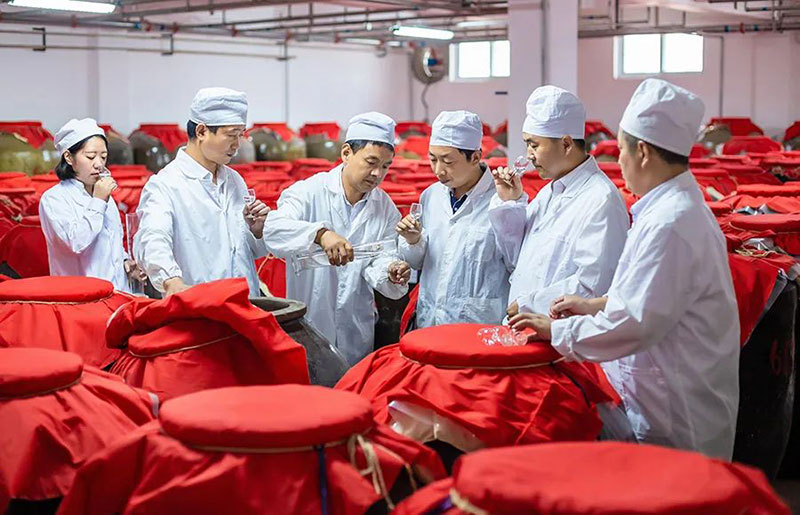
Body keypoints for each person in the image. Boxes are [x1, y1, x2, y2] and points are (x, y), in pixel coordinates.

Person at [511, 79, 740, 460]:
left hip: (674, 411)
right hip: (655, 396)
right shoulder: (666, 211)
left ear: (643, 152)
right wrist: (596, 305)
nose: (618, 162)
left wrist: (556, 331)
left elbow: (636, 321)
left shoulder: (671, 223)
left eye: (620, 150)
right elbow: (652, 297)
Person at [262, 112, 411, 366]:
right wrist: (320, 234)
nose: (377, 173)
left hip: (356, 330)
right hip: (309, 325)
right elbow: (273, 230)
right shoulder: (308, 192)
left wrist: (391, 271)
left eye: (386, 166)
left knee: (353, 386)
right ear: (346, 153)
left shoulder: (384, 207)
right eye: (371, 162)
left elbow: (381, 258)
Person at [489, 85, 629, 318]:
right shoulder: (549, 193)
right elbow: (516, 262)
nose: (529, 155)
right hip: (527, 324)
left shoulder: (601, 201)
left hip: (558, 330)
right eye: (527, 144)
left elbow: (593, 286)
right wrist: (511, 204)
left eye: (534, 145)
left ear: (566, 144)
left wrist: (529, 304)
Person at [135, 87, 270, 297]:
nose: (237, 145)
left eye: (240, 135)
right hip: (199, 306)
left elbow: (247, 251)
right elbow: (152, 238)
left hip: (246, 303)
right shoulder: (166, 185)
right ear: (201, 132)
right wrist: (171, 281)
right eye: (231, 135)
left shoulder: (234, 180)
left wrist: (258, 231)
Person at [396, 110, 512, 327]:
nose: (438, 171)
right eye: (433, 159)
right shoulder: (431, 196)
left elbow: (517, 265)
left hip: (478, 323)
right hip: (430, 319)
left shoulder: (502, 202)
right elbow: (416, 262)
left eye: (448, 161)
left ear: (475, 157)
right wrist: (413, 241)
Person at [39, 118, 145, 292]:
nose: (99, 164)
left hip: (118, 293)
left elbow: (111, 242)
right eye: (90, 156)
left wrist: (125, 262)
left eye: (103, 157)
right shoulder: (54, 199)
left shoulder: (104, 196)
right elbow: (76, 243)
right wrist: (98, 201)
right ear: (69, 157)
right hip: (81, 297)